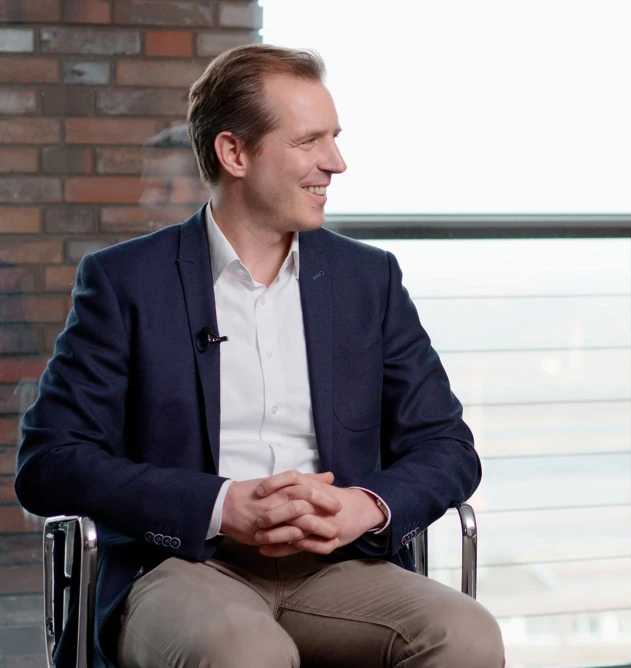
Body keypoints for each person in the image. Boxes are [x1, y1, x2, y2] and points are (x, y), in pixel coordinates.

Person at [16, 44, 504, 668]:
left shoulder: (368, 280)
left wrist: (365, 507)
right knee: (246, 653)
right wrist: (220, 505)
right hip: (183, 567)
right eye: (309, 141)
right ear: (235, 153)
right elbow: (50, 462)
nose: (337, 162)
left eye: (335, 138)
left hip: (340, 569)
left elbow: (448, 448)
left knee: (467, 635)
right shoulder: (126, 282)